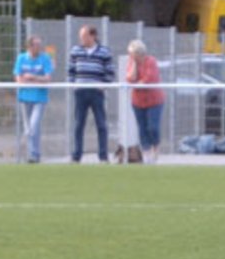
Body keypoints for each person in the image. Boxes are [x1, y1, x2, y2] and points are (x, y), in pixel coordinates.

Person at [67, 24, 115, 164]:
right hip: (80, 92)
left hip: (96, 92)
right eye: (80, 36)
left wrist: (104, 85)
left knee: (101, 124)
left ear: (93, 36)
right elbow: (70, 70)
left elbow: (110, 72)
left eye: (84, 36)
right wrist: (73, 85)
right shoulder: (75, 51)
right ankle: (76, 156)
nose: (81, 39)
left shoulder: (104, 52)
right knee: (78, 124)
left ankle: (103, 156)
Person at [12, 35, 54, 164]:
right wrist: (26, 80)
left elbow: (47, 78)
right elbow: (18, 78)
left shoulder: (45, 58)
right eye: (37, 45)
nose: (40, 47)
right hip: (24, 98)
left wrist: (32, 77)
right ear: (30, 46)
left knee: (34, 126)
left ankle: (34, 155)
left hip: (39, 98)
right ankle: (32, 154)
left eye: (40, 44)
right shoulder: (21, 58)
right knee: (28, 128)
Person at [124, 40, 165, 162]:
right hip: (138, 101)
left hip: (154, 101)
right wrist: (135, 65)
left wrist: (136, 84)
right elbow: (130, 78)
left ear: (139, 53)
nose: (131, 56)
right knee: (142, 127)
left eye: (133, 54)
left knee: (153, 127)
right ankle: (146, 154)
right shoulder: (132, 62)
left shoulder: (151, 61)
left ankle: (156, 147)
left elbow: (149, 79)